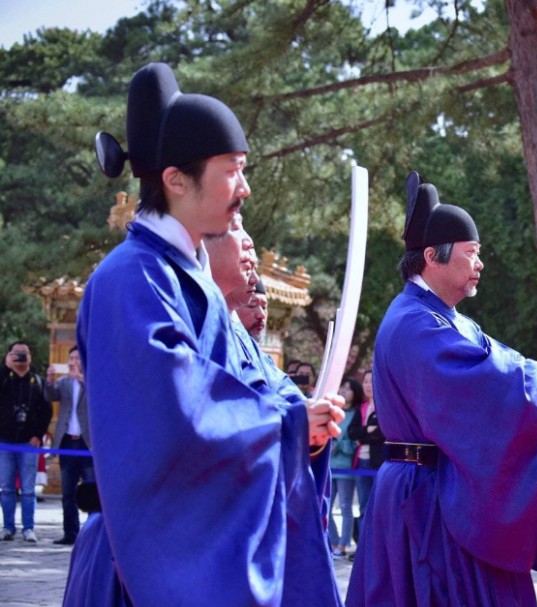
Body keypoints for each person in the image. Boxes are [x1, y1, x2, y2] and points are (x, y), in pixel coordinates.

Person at [63, 62, 344, 607]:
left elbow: (256, 385)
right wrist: (284, 426)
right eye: (233, 170)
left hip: (206, 549)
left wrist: (305, 421)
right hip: (145, 566)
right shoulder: (130, 278)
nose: (246, 187)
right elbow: (170, 413)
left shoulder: (190, 279)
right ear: (175, 179)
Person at [346, 172, 537, 607]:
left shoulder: (447, 319)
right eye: (471, 253)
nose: (480, 264)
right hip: (423, 498)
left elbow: (507, 364)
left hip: (443, 488)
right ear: (432, 256)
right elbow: (485, 385)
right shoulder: (415, 321)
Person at [1, 342, 52, 543]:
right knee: (6, 488)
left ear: (30, 357)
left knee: (29, 490)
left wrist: (38, 435)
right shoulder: (4, 379)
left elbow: (46, 411)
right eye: (16, 354)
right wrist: (6, 367)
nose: (21, 358)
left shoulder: (37, 382)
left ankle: (29, 528)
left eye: (24, 354)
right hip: (5, 442)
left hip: (28, 443)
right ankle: (8, 527)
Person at [44, 346, 95, 546]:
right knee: (68, 491)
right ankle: (70, 533)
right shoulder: (63, 383)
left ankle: (93, 531)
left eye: (77, 357)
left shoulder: (92, 380)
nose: (73, 361)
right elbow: (50, 395)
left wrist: (81, 378)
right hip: (67, 442)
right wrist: (48, 380)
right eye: (70, 358)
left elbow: (98, 396)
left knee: (91, 490)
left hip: (87, 443)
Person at [329, 378, 361, 557]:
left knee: (345, 506)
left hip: (347, 467)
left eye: (348, 388)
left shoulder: (356, 413)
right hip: (330, 465)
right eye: (342, 387)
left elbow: (354, 442)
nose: (343, 391)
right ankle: (333, 541)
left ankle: (342, 546)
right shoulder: (334, 411)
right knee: (323, 507)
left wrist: (339, 446)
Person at [346, 369, 383, 516]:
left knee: (379, 507)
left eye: (371, 381)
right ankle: (363, 538)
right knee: (363, 506)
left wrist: (361, 438)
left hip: (378, 461)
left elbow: (383, 434)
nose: (368, 385)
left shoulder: (385, 407)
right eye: (365, 381)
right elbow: (351, 432)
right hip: (360, 461)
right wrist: (368, 430)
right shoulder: (361, 408)